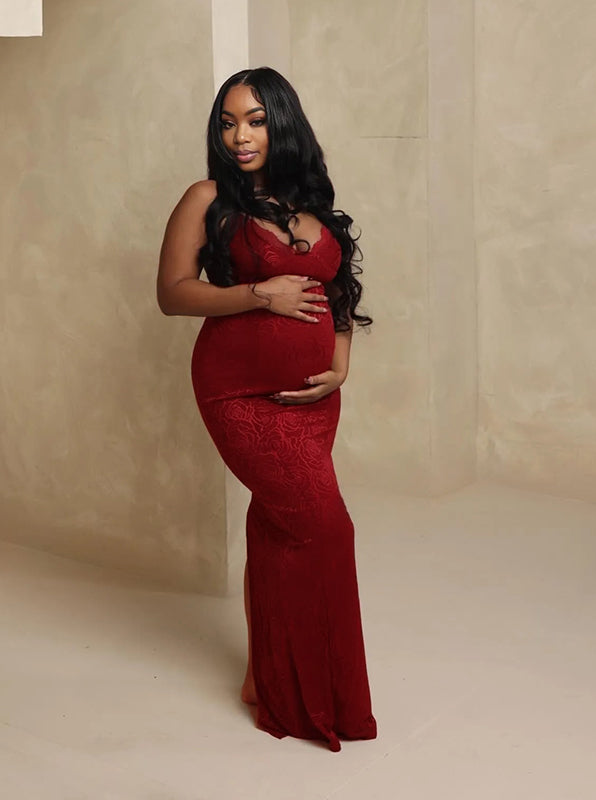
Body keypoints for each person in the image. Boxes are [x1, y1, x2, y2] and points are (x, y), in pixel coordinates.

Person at [156, 67, 377, 752]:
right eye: (227, 122)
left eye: (254, 120)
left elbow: (339, 288)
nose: (239, 135)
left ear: (283, 123)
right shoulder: (207, 198)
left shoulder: (310, 201)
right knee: (326, 528)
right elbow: (172, 293)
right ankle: (314, 698)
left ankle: (266, 677)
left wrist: (340, 361)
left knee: (281, 531)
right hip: (237, 391)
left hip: (313, 399)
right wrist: (260, 295)